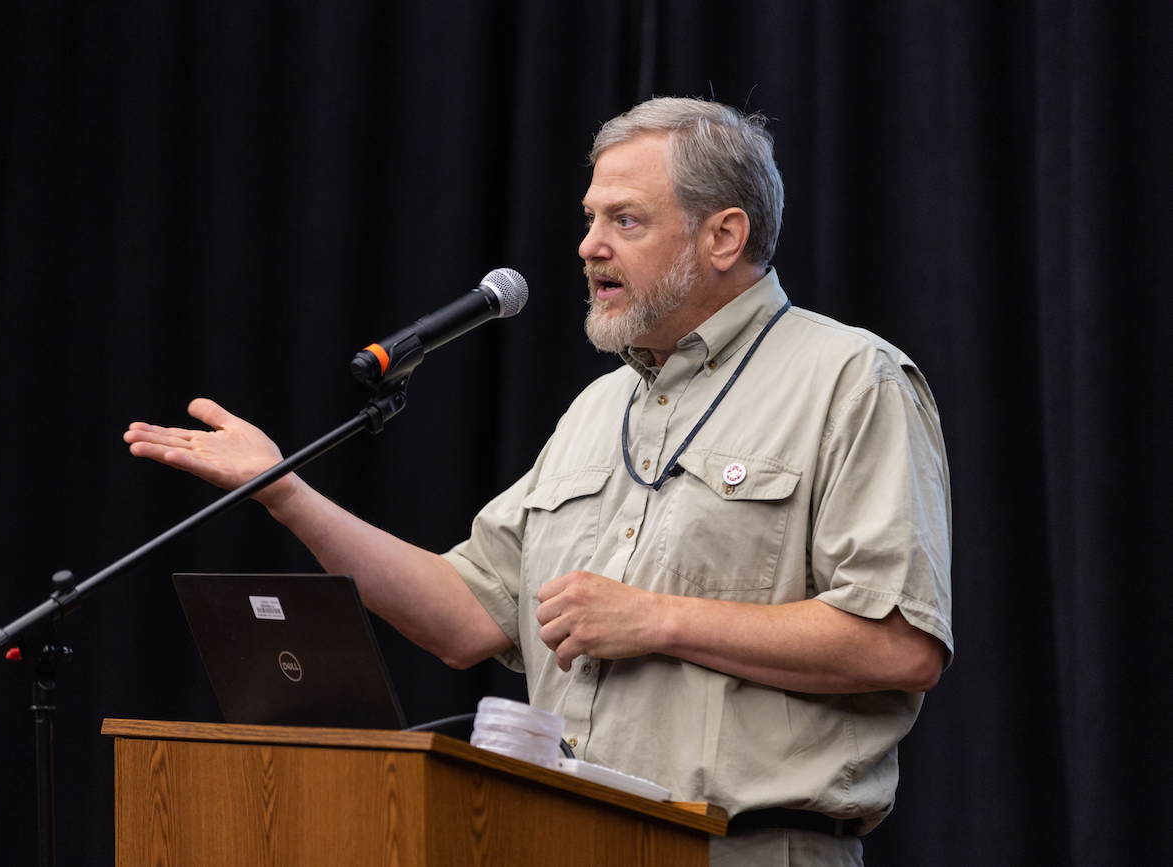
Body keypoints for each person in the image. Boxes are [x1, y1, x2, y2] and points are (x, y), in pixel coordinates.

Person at [124, 97, 952, 867]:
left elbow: (900, 643)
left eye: (625, 219)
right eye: (590, 218)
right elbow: (464, 616)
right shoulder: (598, 409)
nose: (589, 245)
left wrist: (656, 617)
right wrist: (284, 491)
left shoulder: (852, 380)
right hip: (564, 838)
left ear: (723, 236)